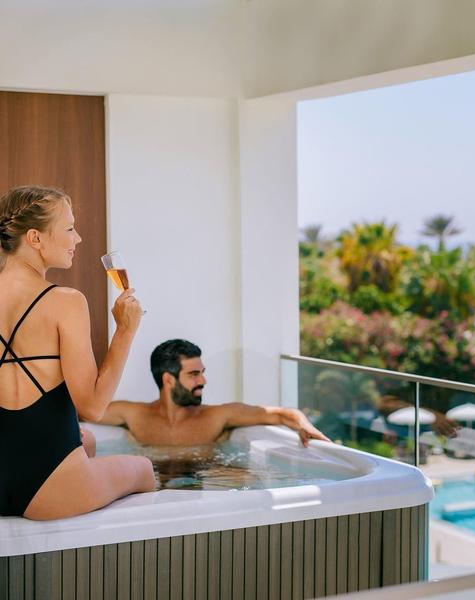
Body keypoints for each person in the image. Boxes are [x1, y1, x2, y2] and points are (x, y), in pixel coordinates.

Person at [0, 186, 155, 520]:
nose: (78, 238)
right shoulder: (65, 301)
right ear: (35, 238)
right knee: (144, 468)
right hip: (51, 492)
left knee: (88, 443)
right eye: (69, 228)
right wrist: (126, 331)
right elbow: (94, 406)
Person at [94, 339, 331, 446]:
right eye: (194, 374)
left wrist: (304, 426)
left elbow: (280, 414)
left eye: (202, 372)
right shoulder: (134, 415)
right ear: (168, 379)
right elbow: (86, 412)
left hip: (206, 487)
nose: (203, 380)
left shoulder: (218, 416)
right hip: (151, 495)